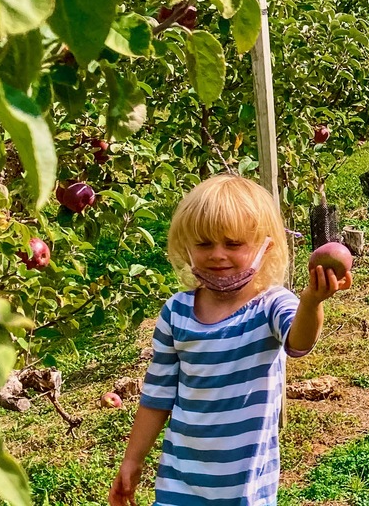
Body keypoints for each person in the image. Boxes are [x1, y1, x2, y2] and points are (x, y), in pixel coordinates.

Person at [109, 174, 351, 506]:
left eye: (233, 244)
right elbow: (157, 396)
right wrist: (132, 459)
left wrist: (311, 302)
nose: (217, 254)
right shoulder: (176, 313)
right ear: (186, 247)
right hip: (180, 482)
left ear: (265, 246)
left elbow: (299, 341)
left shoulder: (271, 305)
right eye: (204, 244)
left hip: (244, 489)